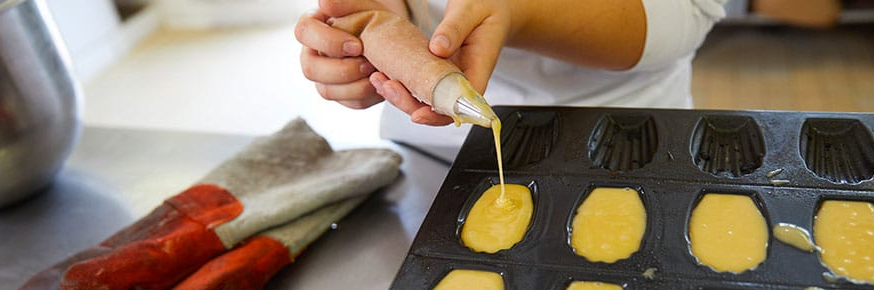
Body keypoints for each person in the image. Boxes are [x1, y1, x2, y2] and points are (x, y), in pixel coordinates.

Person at [296, 0, 728, 159]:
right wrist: (377, 30)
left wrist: (520, 12)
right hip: (427, 151)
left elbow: (692, 10)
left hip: (618, 144)